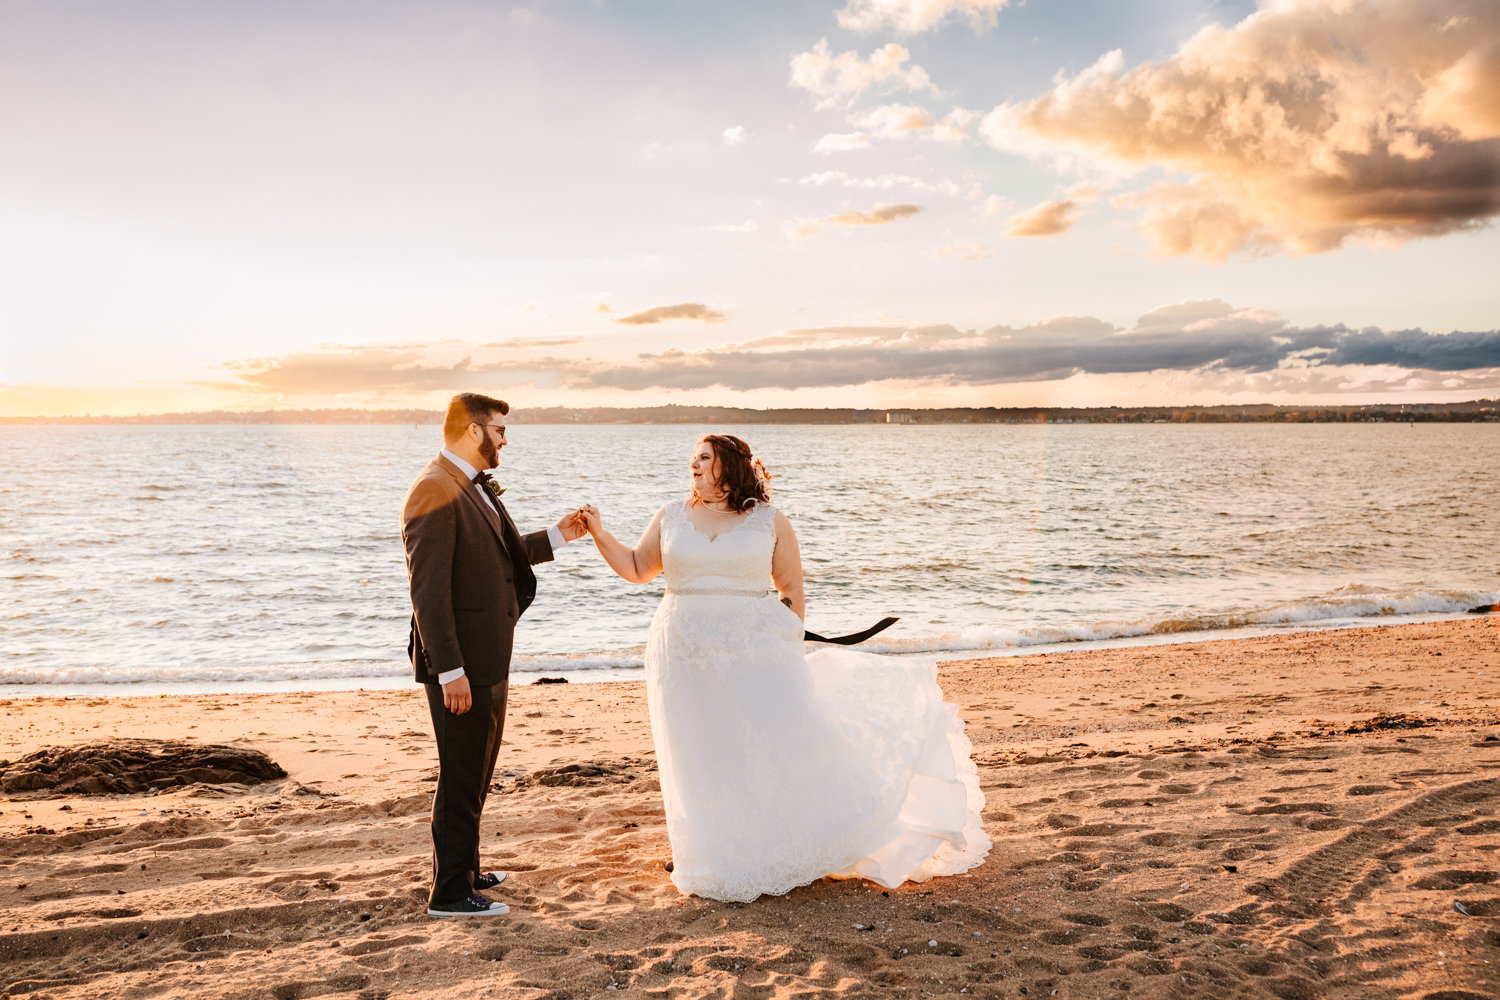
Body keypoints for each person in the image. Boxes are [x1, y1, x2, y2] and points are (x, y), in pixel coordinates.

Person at [577, 434, 989, 902]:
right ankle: (701, 849)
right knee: (695, 750)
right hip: (681, 653)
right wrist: (598, 531)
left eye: (705, 457)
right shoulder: (671, 515)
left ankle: (778, 839)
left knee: (761, 743)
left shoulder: (769, 521)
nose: (694, 463)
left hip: (753, 654)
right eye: (693, 457)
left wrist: (785, 649)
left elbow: (791, 588)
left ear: (729, 466)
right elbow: (636, 567)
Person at [401, 392, 586, 917]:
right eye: (500, 429)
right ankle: (450, 894)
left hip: (489, 658)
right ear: (472, 430)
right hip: (461, 667)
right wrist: (450, 672)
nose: (506, 439)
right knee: (460, 776)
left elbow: (500, 553)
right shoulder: (433, 490)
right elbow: (428, 594)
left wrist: (560, 535)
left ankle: (466, 867)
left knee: (478, 771)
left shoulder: (470, 486)